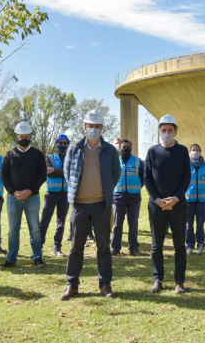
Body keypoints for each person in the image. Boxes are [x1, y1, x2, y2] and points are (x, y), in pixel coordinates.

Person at [61, 110, 121, 300]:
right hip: (79, 206)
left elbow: (115, 174)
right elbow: (67, 172)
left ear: (102, 127)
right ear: (85, 127)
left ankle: (105, 284)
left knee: (103, 247)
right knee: (76, 247)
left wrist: (105, 193)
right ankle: (72, 284)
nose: (93, 129)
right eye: (90, 126)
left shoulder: (110, 150)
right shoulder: (75, 148)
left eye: (97, 126)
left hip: (101, 206)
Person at [144, 114, 191, 294]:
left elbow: (187, 176)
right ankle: (158, 280)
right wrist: (157, 200)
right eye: (163, 130)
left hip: (178, 205)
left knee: (180, 244)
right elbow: (147, 178)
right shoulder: (152, 152)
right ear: (159, 132)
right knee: (157, 245)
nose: (167, 133)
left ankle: (179, 281)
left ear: (175, 131)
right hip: (157, 205)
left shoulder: (182, 151)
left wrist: (176, 198)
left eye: (170, 130)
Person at [0, 121, 47, 269]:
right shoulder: (9, 155)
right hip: (14, 198)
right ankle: (11, 258)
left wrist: (30, 190)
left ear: (30, 136)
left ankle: (37, 258)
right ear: (17, 137)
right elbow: (4, 176)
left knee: (35, 230)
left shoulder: (38, 154)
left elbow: (42, 175)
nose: (24, 138)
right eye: (21, 136)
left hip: (32, 197)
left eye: (26, 136)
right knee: (13, 230)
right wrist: (13, 192)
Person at [111, 139, 145, 256]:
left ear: (132, 147)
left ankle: (134, 249)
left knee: (133, 224)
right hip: (118, 197)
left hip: (134, 197)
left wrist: (136, 187)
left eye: (128, 146)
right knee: (117, 224)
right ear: (119, 148)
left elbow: (143, 177)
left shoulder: (138, 161)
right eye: (124, 146)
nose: (126, 148)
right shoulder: (115, 161)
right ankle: (115, 248)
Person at [40, 134, 71, 258]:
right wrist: (63, 171)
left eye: (65, 143)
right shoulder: (49, 158)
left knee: (61, 223)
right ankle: (39, 247)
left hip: (65, 195)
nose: (62, 145)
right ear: (56, 144)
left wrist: (55, 170)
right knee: (44, 222)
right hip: (51, 194)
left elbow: (71, 172)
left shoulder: (71, 157)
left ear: (68, 145)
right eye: (60, 143)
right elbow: (47, 171)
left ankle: (57, 248)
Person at [186, 144, 205, 255]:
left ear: (200, 151)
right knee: (188, 224)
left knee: (200, 223)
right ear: (190, 152)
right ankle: (189, 245)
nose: (195, 152)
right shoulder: (185, 165)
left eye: (197, 150)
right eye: (193, 150)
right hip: (188, 199)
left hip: (202, 200)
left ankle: (201, 244)